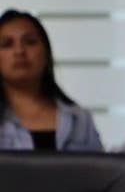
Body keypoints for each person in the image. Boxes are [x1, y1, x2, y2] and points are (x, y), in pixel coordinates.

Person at [0, 9, 103, 151]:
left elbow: (97, 164)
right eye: (7, 44)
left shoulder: (79, 119)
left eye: (30, 42)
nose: (19, 51)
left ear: (46, 53)